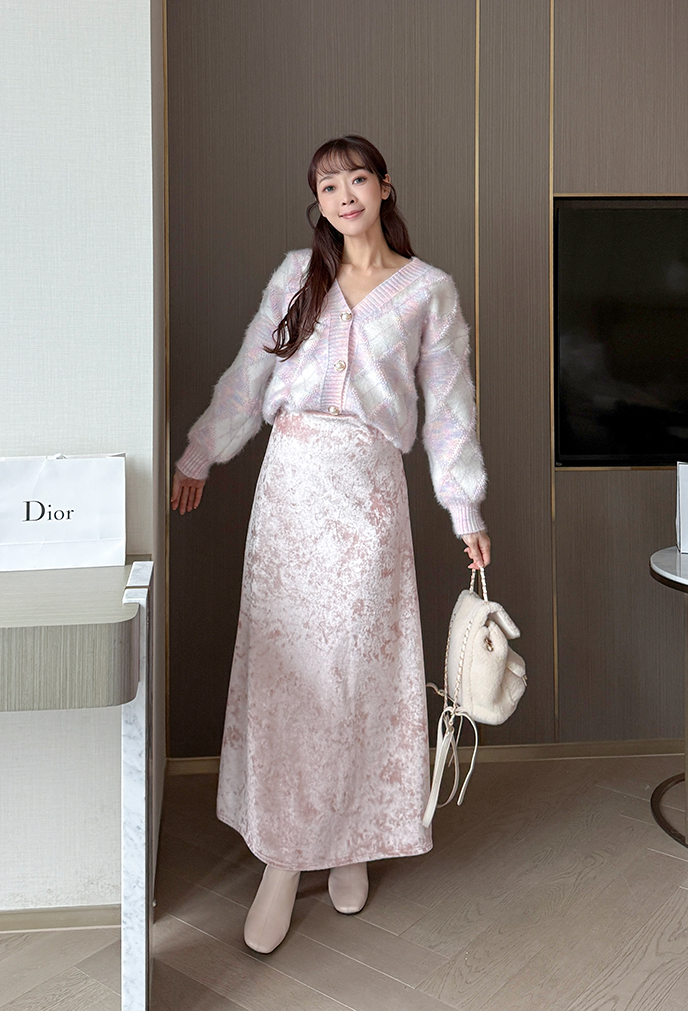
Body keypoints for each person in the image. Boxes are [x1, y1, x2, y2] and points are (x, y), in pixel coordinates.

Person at [171, 135, 490, 954]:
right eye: (328, 185)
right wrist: (202, 453)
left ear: (384, 187)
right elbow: (249, 376)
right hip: (290, 492)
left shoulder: (428, 292)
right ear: (317, 201)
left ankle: (353, 840)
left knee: (358, 673)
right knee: (290, 675)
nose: (345, 195)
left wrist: (465, 510)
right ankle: (284, 858)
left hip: (370, 494)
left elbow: (451, 409)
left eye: (357, 179)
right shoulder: (296, 275)